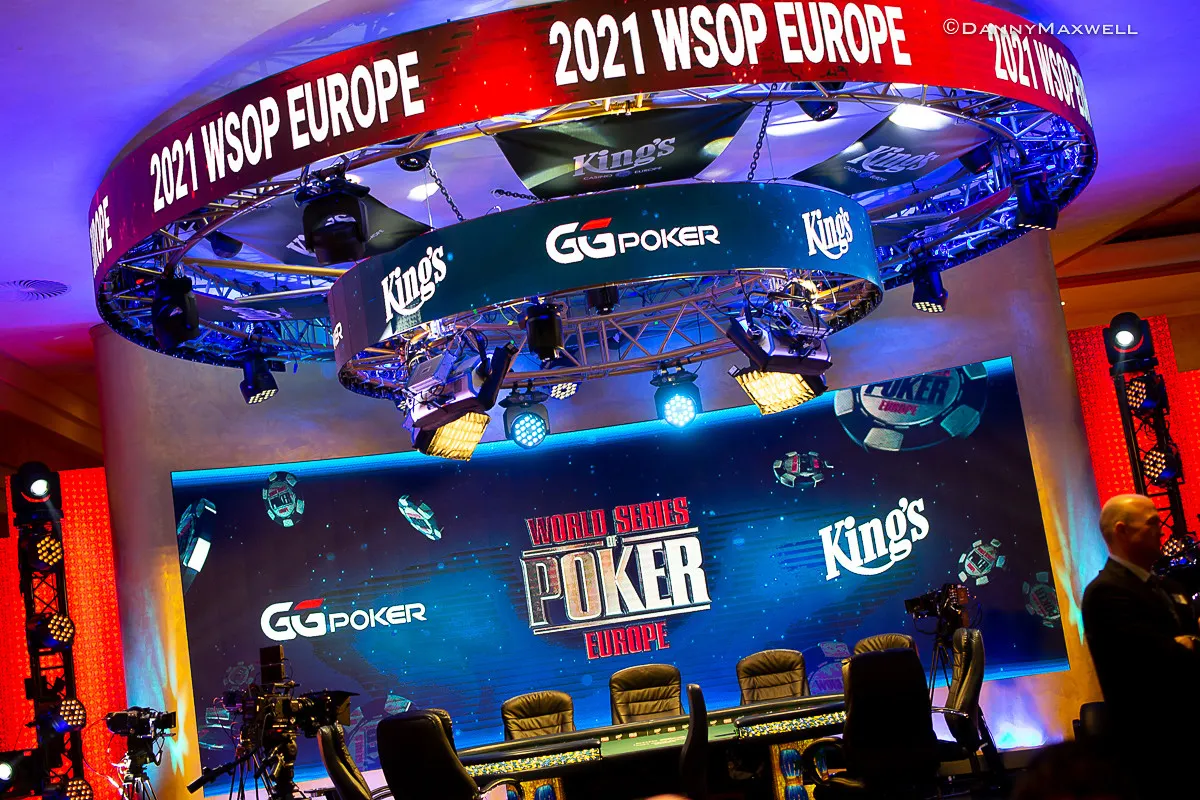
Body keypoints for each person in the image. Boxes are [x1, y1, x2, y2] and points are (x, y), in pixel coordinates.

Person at [1081, 494, 1200, 778]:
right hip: (1153, 746)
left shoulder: (1170, 587)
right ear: (1122, 531)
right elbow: (1157, 663)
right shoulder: (1106, 593)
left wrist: (1188, 644)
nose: (1162, 530)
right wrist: (1183, 646)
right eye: (1152, 523)